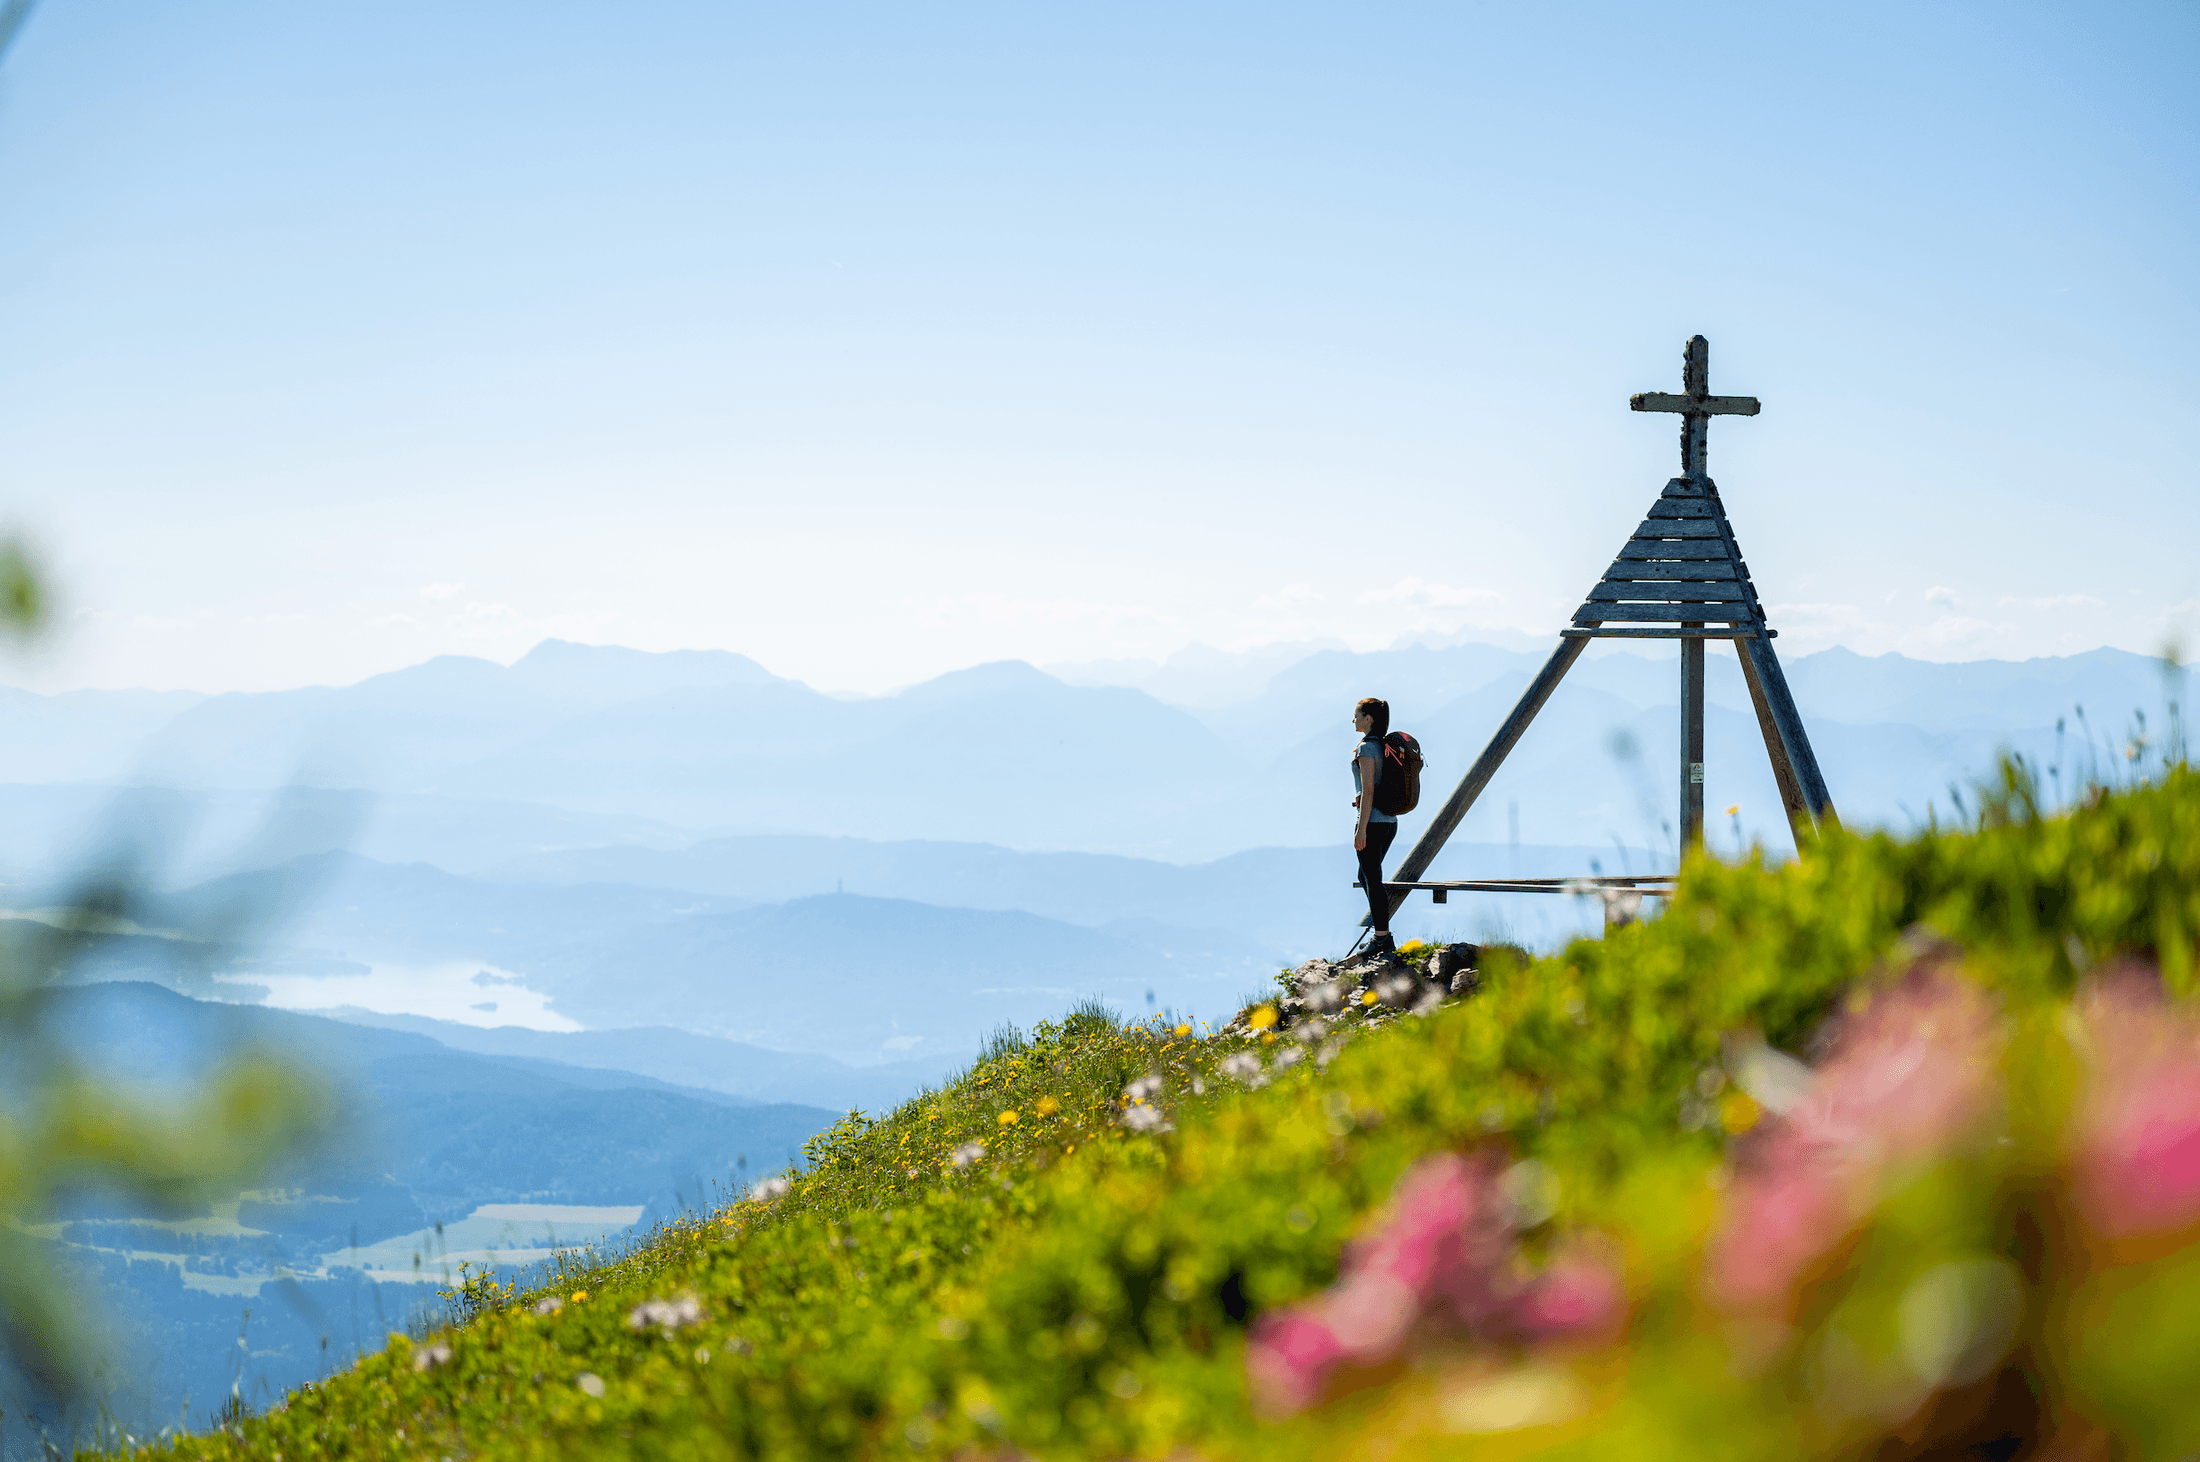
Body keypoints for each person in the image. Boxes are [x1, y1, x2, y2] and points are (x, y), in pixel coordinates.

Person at [1351, 696, 1398, 957]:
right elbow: (1373, 788)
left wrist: (1361, 829)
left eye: (1357, 715)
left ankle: (1382, 938)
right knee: (1367, 876)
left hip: (1373, 823)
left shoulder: (1367, 748)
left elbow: (1368, 790)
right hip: (1389, 822)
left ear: (1368, 719)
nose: (1354, 720)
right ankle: (1382, 934)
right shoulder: (1384, 746)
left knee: (1373, 879)